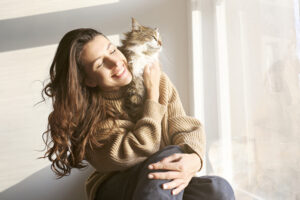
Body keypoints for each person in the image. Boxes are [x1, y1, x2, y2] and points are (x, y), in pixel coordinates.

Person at [41, 28, 235, 200]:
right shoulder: (91, 116)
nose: (116, 62)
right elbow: (144, 147)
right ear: (89, 81)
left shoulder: (155, 80)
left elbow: (184, 126)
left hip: (160, 183)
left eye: (112, 50)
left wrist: (195, 158)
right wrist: (152, 97)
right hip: (115, 188)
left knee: (217, 189)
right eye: (101, 64)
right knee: (169, 155)